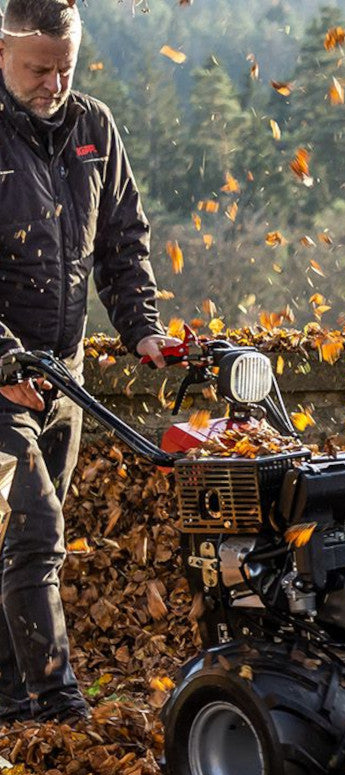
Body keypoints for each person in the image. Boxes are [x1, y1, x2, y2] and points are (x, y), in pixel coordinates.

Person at [0, 0, 179, 725]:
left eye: (65, 68)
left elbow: (122, 241)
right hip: (2, 375)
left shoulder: (93, 128)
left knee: (25, 545)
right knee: (34, 530)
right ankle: (58, 703)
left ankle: (11, 699)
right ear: (3, 53)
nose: (54, 83)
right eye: (38, 69)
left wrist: (142, 329)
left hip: (63, 372)